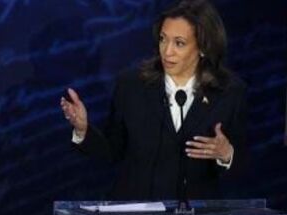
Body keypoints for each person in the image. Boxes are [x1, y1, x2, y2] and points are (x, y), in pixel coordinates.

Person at [59, 0, 245, 201]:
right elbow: (112, 150)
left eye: (179, 43)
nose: (167, 51)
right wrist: (83, 130)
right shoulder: (132, 85)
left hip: (195, 214)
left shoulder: (228, 92)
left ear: (203, 47)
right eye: (163, 39)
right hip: (137, 211)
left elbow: (245, 165)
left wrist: (227, 154)